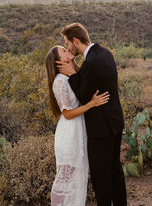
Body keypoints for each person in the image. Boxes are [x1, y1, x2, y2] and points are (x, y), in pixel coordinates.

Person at [56, 23, 127, 206]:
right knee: (115, 170)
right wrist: (77, 69)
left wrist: (72, 74)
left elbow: (83, 95)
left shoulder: (91, 63)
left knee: (100, 175)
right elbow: (91, 79)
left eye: (67, 43)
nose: (67, 47)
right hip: (116, 121)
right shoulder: (104, 53)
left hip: (100, 129)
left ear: (76, 40)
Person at [45, 45, 110, 206]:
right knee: (64, 178)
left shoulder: (69, 77)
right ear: (58, 62)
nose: (68, 50)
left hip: (79, 132)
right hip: (68, 134)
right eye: (64, 51)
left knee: (77, 179)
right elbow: (66, 113)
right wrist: (92, 104)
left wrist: (73, 66)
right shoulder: (59, 82)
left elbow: (86, 81)